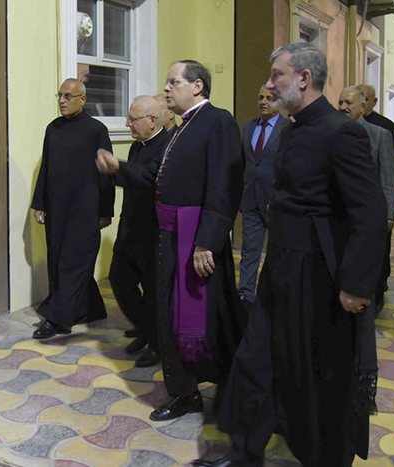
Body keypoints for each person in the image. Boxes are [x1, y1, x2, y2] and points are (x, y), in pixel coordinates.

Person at [194, 43, 387, 467]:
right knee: (255, 358)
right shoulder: (291, 128)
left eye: (276, 75)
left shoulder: (341, 132)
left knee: (316, 371)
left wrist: (356, 284)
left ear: (304, 78)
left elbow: (369, 213)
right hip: (280, 265)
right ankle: (245, 452)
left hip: (317, 271)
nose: (268, 84)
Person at [97, 60, 246, 422]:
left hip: (196, 241)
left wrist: (208, 240)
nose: (166, 88)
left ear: (197, 86)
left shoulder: (218, 121)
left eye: (173, 82)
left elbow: (226, 184)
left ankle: (230, 385)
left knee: (212, 317)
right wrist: (119, 169)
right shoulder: (181, 128)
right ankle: (185, 392)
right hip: (172, 237)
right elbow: (154, 177)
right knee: (171, 317)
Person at [31, 78, 115, 339]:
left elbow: (107, 173)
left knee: (74, 262)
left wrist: (106, 210)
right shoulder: (52, 128)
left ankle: (57, 319)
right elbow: (45, 168)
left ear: (83, 99)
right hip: (57, 208)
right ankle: (93, 308)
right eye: (60, 96)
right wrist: (39, 203)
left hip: (85, 210)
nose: (62, 101)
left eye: (68, 96)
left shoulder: (96, 130)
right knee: (58, 259)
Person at [108, 96, 170, 368]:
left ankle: (157, 345)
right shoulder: (136, 147)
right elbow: (132, 180)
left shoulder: (168, 145)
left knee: (154, 293)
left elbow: (150, 177)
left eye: (133, 119)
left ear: (153, 120)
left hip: (153, 233)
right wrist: (114, 172)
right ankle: (146, 330)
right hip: (130, 228)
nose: (127, 124)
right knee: (119, 280)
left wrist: (118, 166)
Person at [338, 86, 394, 314]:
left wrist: (389, 214)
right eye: (340, 102)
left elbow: (388, 177)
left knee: (372, 262)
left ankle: (373, 303)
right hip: (342, 212)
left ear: (363, 107)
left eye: (348, 103)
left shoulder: (380, 135)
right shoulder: (335, 131)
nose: (343, 107)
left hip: (371, 212)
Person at [238, 86, 287, 309]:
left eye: (269, 98)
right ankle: (246, 296)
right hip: (250, 200)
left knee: (278, 252)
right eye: (260, 97)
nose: (263, 102)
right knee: (249, 250)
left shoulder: (288, 129)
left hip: (276, 202)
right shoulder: (249, 127)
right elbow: (244, 164)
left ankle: (276, 296)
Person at [357, 84, 394, 307]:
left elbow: (393, 163)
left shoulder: (385, 128)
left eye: (365, 99)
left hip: (376, 203)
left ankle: (378, 290)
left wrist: (391, 200)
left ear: (373, 102)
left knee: (379, 252)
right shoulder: (342, 127)